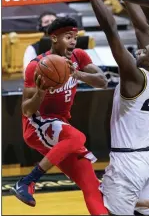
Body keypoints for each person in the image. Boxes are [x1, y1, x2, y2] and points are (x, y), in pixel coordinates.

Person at [10, 17, 108, 215]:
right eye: (68, 37)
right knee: (77, 137)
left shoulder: (79, 57)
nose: (73, 41)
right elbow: (26, 110)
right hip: (37, 125)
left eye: (75, 37)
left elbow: (102, 81)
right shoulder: (36, 66)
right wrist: (40, 93)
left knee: (91, 184)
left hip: (60, 126)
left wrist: (78, 75)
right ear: (54, 38)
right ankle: (28, 180)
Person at [91, 0, 149, 215]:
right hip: (142, 157)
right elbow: (142, 27)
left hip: (129, 162)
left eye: (144, 53)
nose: (139, 52)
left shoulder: (135, 76)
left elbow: (111, 31)